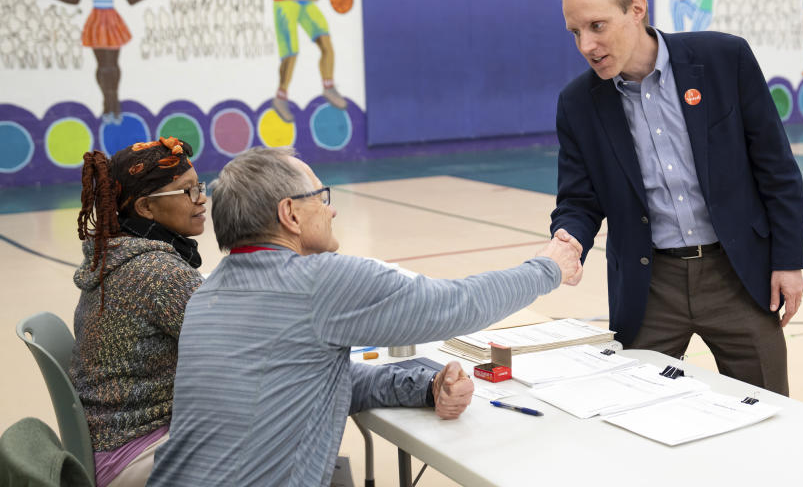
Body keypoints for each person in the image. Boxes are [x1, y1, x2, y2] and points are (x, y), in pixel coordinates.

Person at [147, 147, 583, 486]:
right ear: (290, 214)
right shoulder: (319, 282)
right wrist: (549, 268)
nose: (332, 209)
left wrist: (425, 385)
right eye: (321, 197)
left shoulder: (208, 294)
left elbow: (306, 379)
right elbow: (455, 305)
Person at [550, 0, 803, 396]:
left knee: (768, 409)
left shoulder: (725, 59)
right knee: (637, 413)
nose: (586, 45)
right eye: (575, 32)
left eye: (596, 25)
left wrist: (787, 260)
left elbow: (775, 164)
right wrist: (566, 238)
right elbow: (579, 200)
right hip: (651, 285)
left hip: (739, 275)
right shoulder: (578, 104)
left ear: (637, 9)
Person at [71, 137, 206, 487]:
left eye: (200, 187)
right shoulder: (159, 273)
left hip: (107, 446)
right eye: (187, 191)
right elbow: (236, 343)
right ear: (146, 208)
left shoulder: (115, 257)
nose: (202, 199)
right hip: (134, 454)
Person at [38, 0, 162, 123]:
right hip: (96, 19)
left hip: (111, 19)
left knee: (113, 65)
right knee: (103, 66)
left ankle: (114, 102)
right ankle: (108, 102)